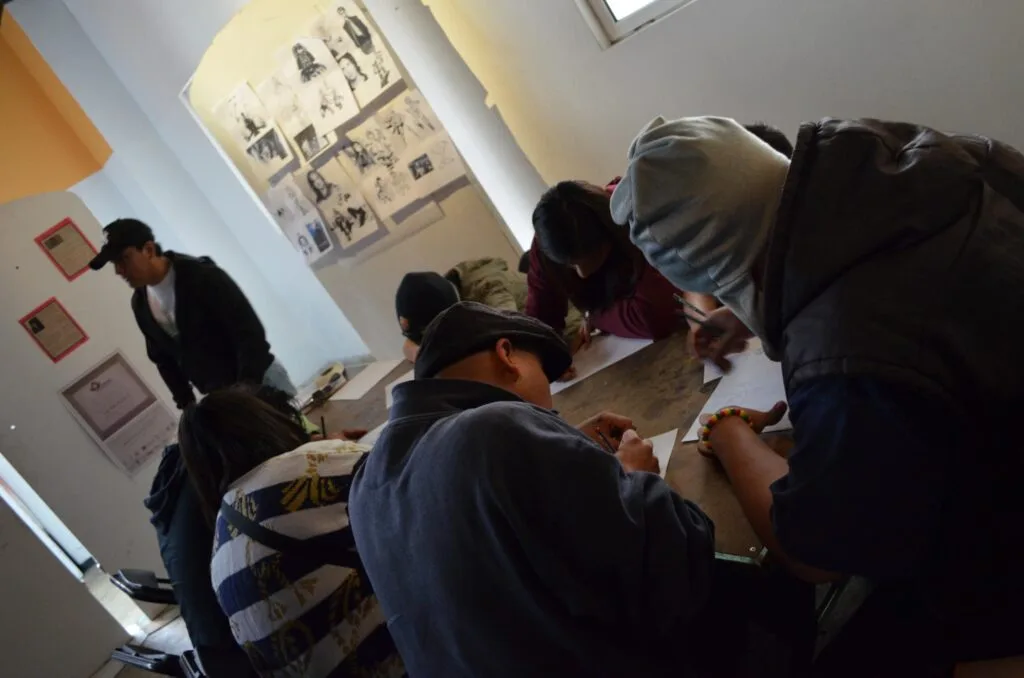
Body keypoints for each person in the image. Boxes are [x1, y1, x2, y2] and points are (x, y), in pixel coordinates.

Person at [611, 116, 1024, 674]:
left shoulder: (847, 359)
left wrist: (728, 432)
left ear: (729, 267)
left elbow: (814, 550)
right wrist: (753, 309)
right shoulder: (938, 159)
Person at [350, 302, 813, 677]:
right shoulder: (497, 429)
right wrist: (638, 478)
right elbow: (681, 566)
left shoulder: (368, 481)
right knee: (772, 587)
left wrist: (559, 447)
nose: (548, 408)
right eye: (543, 379)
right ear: (507, 355)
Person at [177, 387, 404, 678]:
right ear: (268, 421)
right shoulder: (310, 466)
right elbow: (417, 478)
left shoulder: (220, 554)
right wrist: (329, 453)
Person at [89, 218, 294, 409]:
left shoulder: (202, 277)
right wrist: (187, 404)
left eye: (123, 259)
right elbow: (163, 360)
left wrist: (247, 385)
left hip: (261, 382)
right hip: (223, 397)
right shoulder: (140, 304)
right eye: (114, 264)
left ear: (148, 250)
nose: (119, 271)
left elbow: (248, 332)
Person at [394, 260, 582, 364]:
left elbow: (513, 334)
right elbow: (410, 344)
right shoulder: (440, 299)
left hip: (569, 334)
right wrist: (420, 354)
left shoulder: (489, 290)